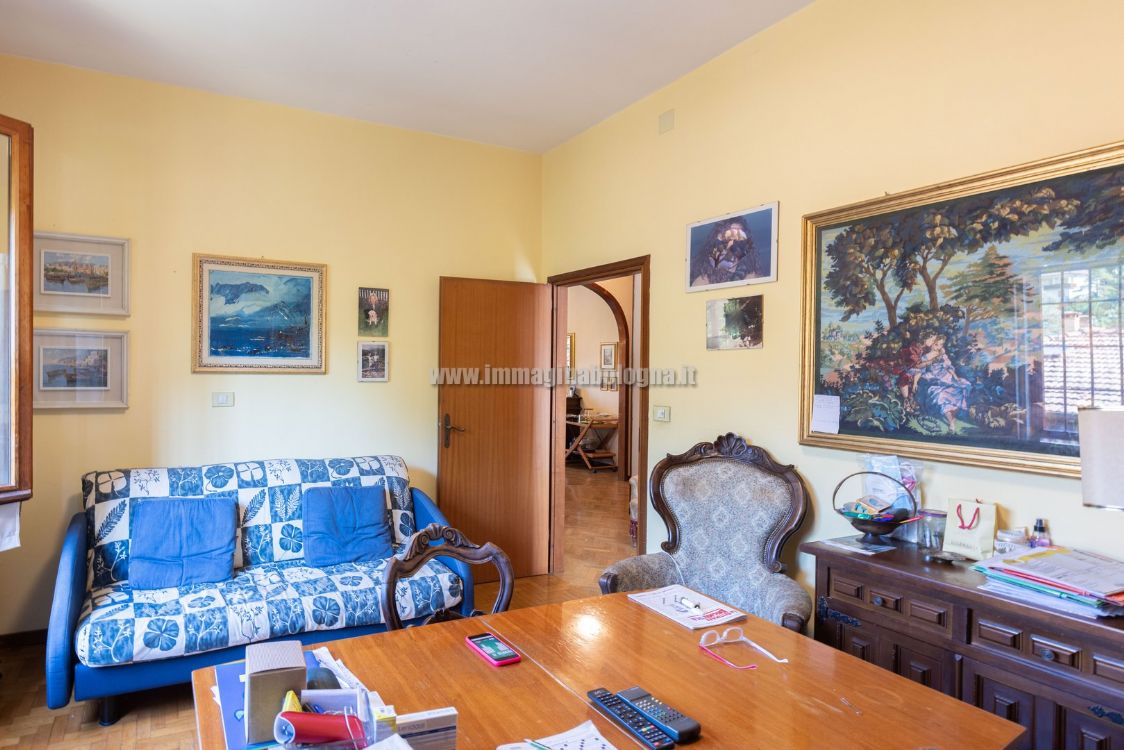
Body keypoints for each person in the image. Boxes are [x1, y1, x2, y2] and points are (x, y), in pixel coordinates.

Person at [909, 334, 971, 430]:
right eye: (936, 344)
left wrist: (955, 377)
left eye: (941, 344)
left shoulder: (942, 355)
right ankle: (951, 421)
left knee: (962, 387)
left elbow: (948, 367)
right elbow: (920, 371)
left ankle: (952, 417)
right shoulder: (925, 357)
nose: (938, 347)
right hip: (933, 380)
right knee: (940, 397)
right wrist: (915, 383)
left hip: (946, 378)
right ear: (931, 344)